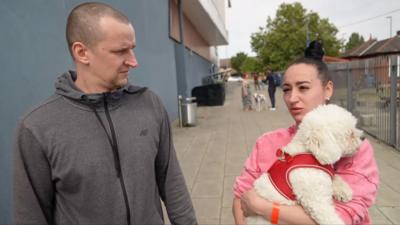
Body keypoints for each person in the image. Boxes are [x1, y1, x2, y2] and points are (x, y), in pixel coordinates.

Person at [13, 2, 197, 225]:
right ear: (82, 52)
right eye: (120, 51)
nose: (134, 61)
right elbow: (31, 216)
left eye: (132, 48)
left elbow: (172, 182)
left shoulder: (149, 104)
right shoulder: (38, 127)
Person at [232, 41, 379, 225]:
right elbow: (240, 198)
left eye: (303, 88)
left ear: (328, 90)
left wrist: (264, 208)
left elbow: (343, 217)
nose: (292, 98)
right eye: (286, 89)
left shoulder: (355, 147)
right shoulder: (266, 142)